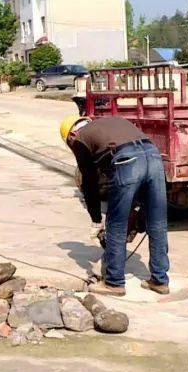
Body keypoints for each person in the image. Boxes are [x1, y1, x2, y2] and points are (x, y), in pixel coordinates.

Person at [60, 114, 170, 296]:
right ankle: (160, 281)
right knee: (157, 223)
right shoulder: (111, 121)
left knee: (116, 224)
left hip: (126, 161)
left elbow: (89, 183)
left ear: (71, 134)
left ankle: (114, 282)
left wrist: (96, 220)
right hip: (154, 157)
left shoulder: (79, 140)